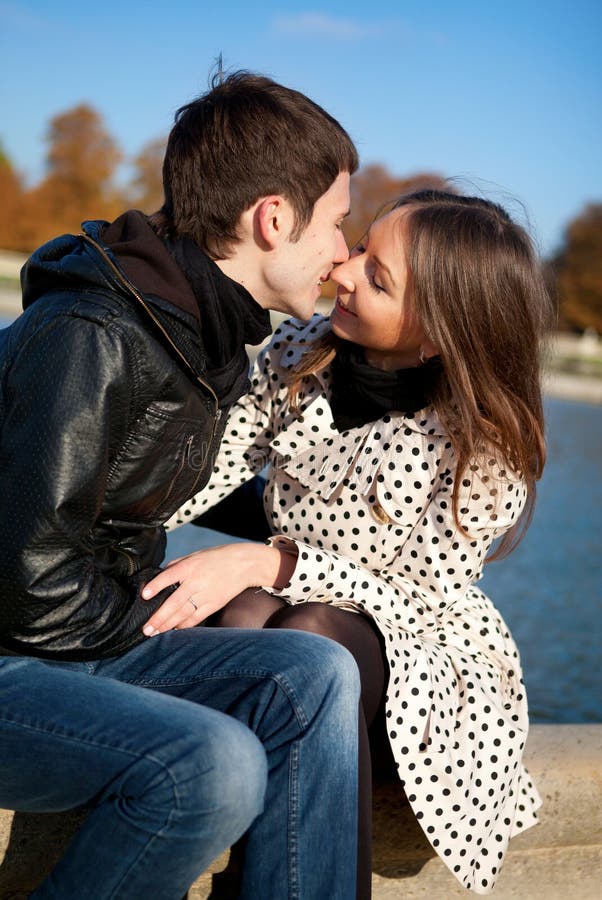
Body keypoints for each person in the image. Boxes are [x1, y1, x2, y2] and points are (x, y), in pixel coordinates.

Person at [0, 71, 362, 899]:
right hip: (20, 657)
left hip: (69, 653)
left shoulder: (201, 342)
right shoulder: (94, 334)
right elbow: (26, 589)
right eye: (338, 223)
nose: (345, 253)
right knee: (211, 762)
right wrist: (157, 620)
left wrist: (294, 552)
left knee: (313, 672)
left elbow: (214, 489)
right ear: (274, 218)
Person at [155, 189, 554, 896]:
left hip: (415, 663)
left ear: (437, 331)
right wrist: (108, 526)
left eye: (378, 278)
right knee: (245, 615)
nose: (344, 268)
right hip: (283, 616)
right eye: (363, 246)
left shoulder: (482, 445)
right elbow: (214, 465)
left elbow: (418, 598)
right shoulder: (301, 353)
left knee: (308, 635)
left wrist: (269, 559)